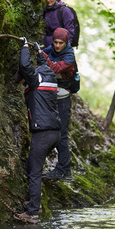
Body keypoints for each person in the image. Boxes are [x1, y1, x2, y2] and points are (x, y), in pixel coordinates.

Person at [14, 38, 61, 224]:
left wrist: (25, 47)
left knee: (34, 172)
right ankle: (35, 202)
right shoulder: (48, 75)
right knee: (31, 166)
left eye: (23, 80)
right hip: (55, 133)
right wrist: (39, 52)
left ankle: (33, 213)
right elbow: (41, 63)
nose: (23, 83)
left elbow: (25, 65)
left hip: (42, 133)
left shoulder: (34, 79)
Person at [42, 28, 76, 181]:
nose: (57, 46)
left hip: (63, 98)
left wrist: (41, 55)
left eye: (60, 43)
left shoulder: (69, 56)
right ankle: (62, 169)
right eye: (55, 42)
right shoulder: (51, 49)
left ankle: (64, 170)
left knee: (62, 135)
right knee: (50, 131)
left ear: (66, 42)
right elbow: (45, 52)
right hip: (51, 96)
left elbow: (54, 68)